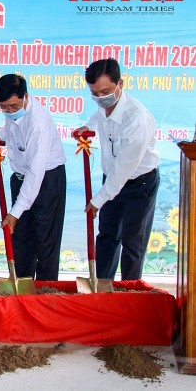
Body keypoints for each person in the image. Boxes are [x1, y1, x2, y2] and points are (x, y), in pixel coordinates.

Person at [74, 58, 160, 281]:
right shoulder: (104, 107)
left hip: (139, 183)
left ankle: (129, 294)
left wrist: (97, 201)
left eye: (106, 92)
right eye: (95, 94)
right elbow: (99, 117)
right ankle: (102, 289)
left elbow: (123, 171)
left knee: (133, 242)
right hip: (112, 179)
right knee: (107, 236)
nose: (101, 98)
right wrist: (88, 127)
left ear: (120, 84)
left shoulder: (136, 120)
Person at [0, 74, 66, 280]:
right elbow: (13, 127)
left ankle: (45, 294)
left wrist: (15, 213)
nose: (10, 112)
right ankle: (21, 290)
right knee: (21, 240)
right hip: (21, 178)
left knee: (46, 242)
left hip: (46, 181)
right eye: (4, 108)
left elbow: (35, 173)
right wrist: (0, 136)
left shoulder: (39, 124)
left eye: (13, 106)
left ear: (25, 97)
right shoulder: (14, 112)